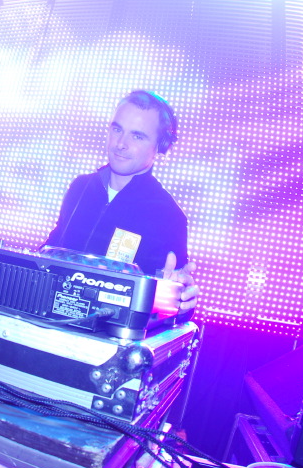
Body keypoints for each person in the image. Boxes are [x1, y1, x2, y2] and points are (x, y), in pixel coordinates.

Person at [45, 90, 198, 314]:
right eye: (117, 130)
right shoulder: (81, 187)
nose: (121, 143)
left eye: (137, 136)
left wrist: (178, 300)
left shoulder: (168, 215)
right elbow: (50, 251)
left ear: (160, 146)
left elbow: (177, 298)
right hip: (48, 319)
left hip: (108, 333)